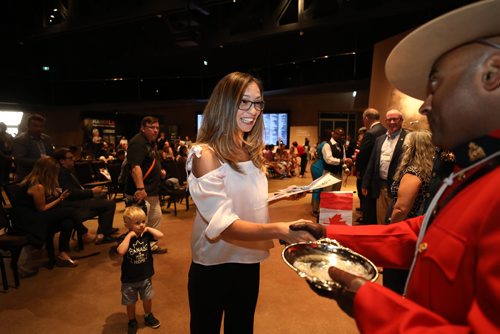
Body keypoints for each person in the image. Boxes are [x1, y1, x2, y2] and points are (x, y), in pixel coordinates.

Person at [290, 0, 500, 331]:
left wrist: (369, 301)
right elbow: (418, 236)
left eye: (435, 84)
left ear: (493, 73)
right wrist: (330, 233)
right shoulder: (476, 170)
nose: (426, 106)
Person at [186, 71, 317, 334]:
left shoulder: (248, 148)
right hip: (213, 263)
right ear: (224, 103)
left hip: (247, 259)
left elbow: (240, 199)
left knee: (242, 327)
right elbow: (224, 223)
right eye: (243, 102)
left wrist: (279, 195)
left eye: (257, 103)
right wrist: (280, 229)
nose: (253, 110)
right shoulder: (204, 154)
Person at [13, 157, 95, 267]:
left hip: (34, 216)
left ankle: (63, 253)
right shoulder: (37, 186)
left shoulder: (37, 182)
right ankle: (84, 233)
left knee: (68, 222)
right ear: (48, 172)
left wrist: (55, 194)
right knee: (69, 211)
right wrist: (60, 199)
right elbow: (42, 209)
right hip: (28, 221)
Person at [384, 130, 435, 294]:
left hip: (403, 231)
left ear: (412, 148)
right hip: (416, 230)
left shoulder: (413, 171)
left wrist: (391, 230)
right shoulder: (428, 170)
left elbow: (401, 208)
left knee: (394, 281)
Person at [53, 148, 118, 244]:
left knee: (103, 200)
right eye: (70, 158)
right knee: (110, 204)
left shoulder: (67, 171)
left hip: (78, 200)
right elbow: (70, 193)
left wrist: (91, 191)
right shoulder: (62, 173)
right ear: (62, 161)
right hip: (73, 204)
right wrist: (91, 192)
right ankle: (104, 233)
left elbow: (77, 189)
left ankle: (105, 231)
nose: (73, 159)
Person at [117, 206, 164, 334]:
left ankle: (148, 315)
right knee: (130, 302)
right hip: (129, 279)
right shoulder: (123, 238)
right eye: (137, 223)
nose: (141, 225)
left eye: (143, 221)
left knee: (147, 298)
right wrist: (130, 236)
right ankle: (132, 320)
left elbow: (161, 235)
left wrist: (148, 228)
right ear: (127, 225)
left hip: (145, 276)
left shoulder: (146, 235)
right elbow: (121, 251)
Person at [125, 116, 167, 254]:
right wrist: (140, 188)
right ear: (143, 128)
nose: (155, 131)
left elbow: (148, 162)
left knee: (155, 217)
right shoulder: (138, 142)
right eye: (152, 127)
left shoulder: (150, 143)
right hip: (141, 191)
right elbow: (134, 167)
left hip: (152, 190)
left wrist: (159, 170)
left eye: (157, 128)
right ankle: (137, 248)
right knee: (139, 222)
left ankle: (151, 245)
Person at [362, 109, 407, 224]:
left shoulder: (408, 138)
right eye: (389, 120)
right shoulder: (380, 139)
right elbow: (372, 162)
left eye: (395, 119)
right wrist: (365, 183)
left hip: (399, 188)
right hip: (381, 186)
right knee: (381, 219)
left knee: (396, 221)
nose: (392, 122)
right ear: (385, 121)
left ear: (401, 120)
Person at [355, 109, 387, 224]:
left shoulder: (370, 133)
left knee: (367, 202)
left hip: (368, 172)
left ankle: (367, 222)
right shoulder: (385, 130)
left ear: (367, 118)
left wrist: (358, 169)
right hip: (380, 172)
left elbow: (363, 154)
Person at [12, 114, 54, 180]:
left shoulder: (47, 138)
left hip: (45, 175)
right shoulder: (20, 140)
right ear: (28, 126)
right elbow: (20, 159)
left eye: (41, 126)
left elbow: (51, 154)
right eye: (35, 126)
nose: (39, 128)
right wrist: (42, 161)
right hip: (28, 176)